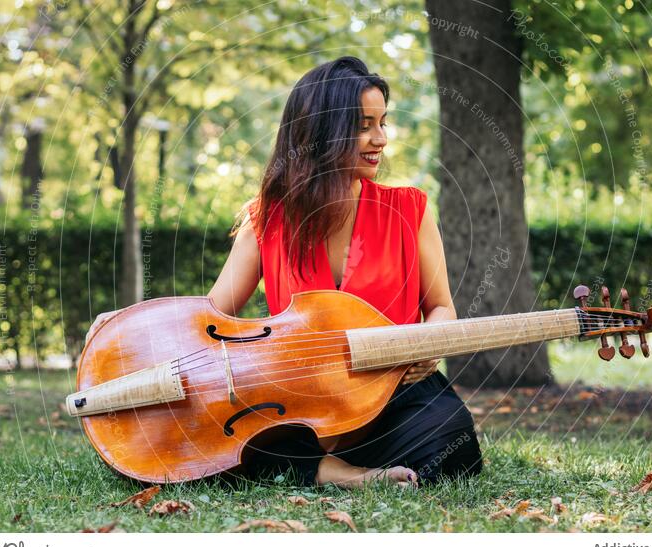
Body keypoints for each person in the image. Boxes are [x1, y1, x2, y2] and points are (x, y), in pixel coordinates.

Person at [86, 56, 482, 490]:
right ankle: (342, 474)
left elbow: (441, 306)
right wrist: (124, 322)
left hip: (390, 388)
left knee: (453, 438)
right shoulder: (266, 220)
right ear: (320, 132)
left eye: (383, 122)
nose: (380, 139)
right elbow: (211, 315)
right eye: (364, 125)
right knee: (223, 437)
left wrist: (429, 345)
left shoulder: (410, 208)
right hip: (297, 395)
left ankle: (312, 468)